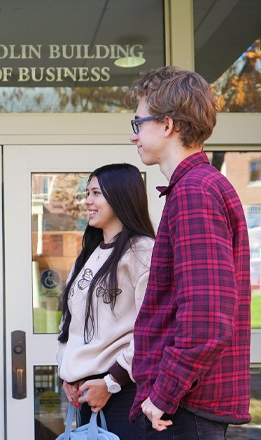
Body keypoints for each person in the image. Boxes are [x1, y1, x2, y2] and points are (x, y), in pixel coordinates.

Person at [126, 66, 251, 438]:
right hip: (188, 405)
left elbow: (208, 318)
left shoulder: (195, 190)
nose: (133, 137)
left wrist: (162, 394)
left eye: (138, 124)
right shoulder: (198, 186)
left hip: (186, 409)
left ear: (167, 125)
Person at [57, 163, 155, 439]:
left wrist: (112, 381)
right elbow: (70, 322)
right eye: (88, 193)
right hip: (88, 395)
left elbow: (151, 328)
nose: (87, 201)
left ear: (121, 196)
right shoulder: (88, 253)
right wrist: (69, 373)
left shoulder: (143, 251)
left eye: (96, 193)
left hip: (123, 395)